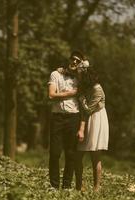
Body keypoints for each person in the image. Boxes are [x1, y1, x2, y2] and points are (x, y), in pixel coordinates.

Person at [47, 50, 86, 190]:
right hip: (57, 117)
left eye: (78, 60)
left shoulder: (81, 79)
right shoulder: (55, 74)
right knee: (55, 153)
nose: (74, 62)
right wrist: (71, 93)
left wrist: (83, 69)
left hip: (73, 117)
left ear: (80, 64)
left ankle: (67, 186)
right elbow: (51, 95)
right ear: (68, 59)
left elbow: (93, 77)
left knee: (70, 153)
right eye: (73, 59)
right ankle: (54, 186)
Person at [77, 66, 109, 192]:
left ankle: (96, 188)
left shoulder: (97, 89)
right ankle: (79, 186)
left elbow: (89, 109)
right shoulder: (88, 87)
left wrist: (81, 99)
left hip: (96, 119)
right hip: (87, 118)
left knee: (95, 155)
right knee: (79, 154)